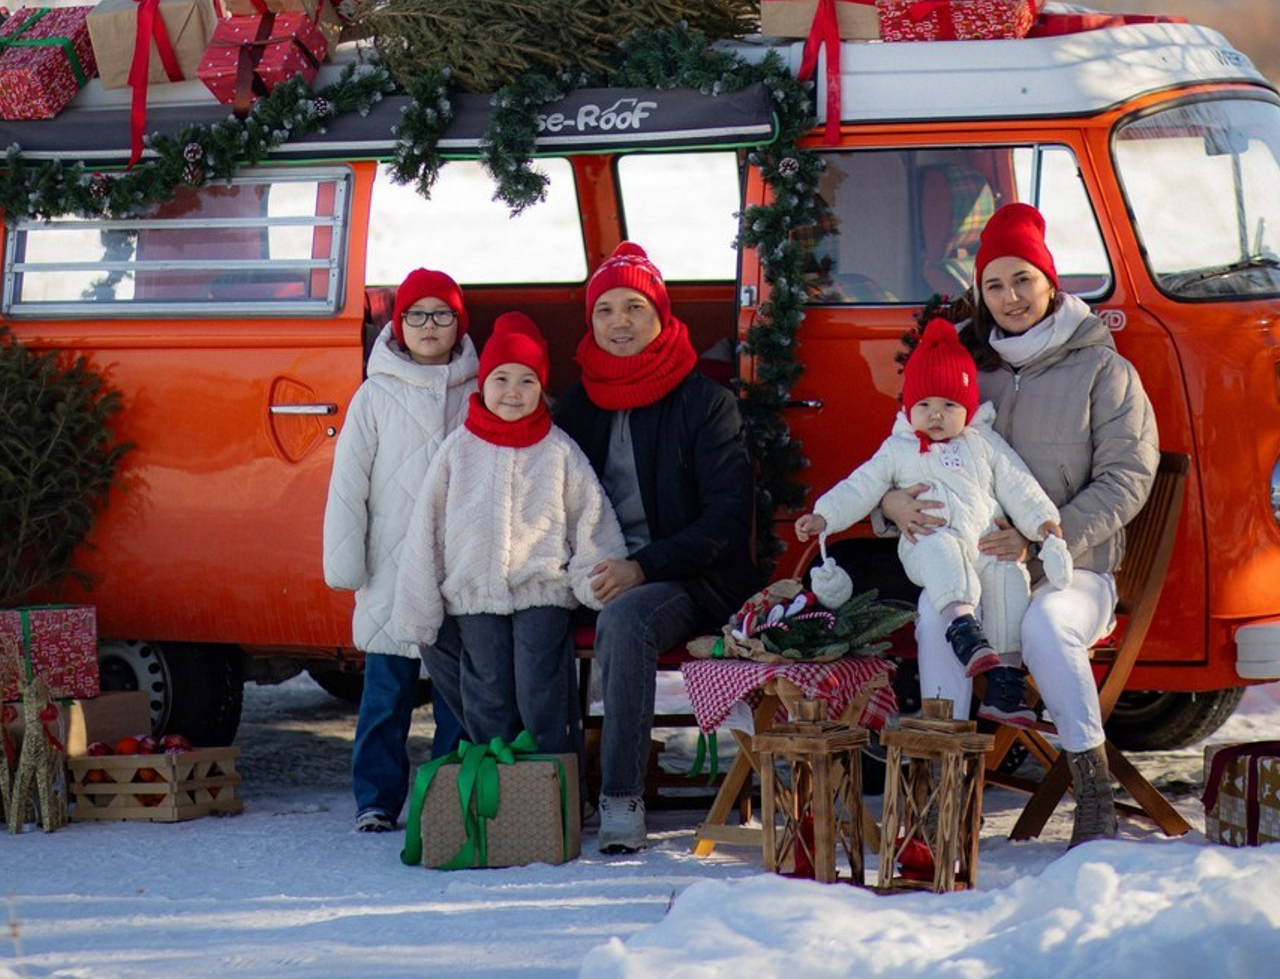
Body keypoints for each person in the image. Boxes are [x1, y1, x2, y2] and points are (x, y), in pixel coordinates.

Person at [881, 204, 1159, 846]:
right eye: (995, 285)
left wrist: (1042, 537)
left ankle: (1092, 788)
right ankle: (942, 789)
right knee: (936, 615)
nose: (1010, 297)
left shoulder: (1104, 371)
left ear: (1050, 284)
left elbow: (1128, 479)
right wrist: (889, 508)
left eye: (1022, 280)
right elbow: (900, 452)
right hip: (979, 569)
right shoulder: (964, 371)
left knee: (1044, 624)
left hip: (1073, 569)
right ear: (979, 292)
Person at [552, 241, 758, 854]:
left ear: (662, 317)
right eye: (606, 310)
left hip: (693, 578)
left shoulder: (706, 404)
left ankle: (620, 798)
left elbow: (726, 519)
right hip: (598, 569)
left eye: (635, 308)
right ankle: (546, 783)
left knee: (625, 619)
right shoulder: (579, 403)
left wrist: (643, 567)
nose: (620, 322)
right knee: (529, 617)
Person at [794, 317, 1073, 728]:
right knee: (942, 554)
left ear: (968, 408)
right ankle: (962, 629)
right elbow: (861, 486)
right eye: (924, 405)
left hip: (985, 546)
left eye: (949, 405)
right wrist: (824, 515)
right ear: (909, 408)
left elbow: (1019, 484)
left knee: (1010, 580)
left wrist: (1044, 523)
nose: (936, 415)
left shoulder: (984, 443)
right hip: (928, 541)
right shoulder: (898, 449)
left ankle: (1005, 684)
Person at [392, 312, 621, 757]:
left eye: (527, 381)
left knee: (540, 686)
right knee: (488, 686)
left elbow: (590, 517)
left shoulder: (558, 450)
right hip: (473, 592)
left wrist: (595, 577)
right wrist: (420, 600)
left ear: (543, 389)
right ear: (482, 385)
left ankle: (555, 784)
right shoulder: (458, 449)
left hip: (542, 591)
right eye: (501, 379)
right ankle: (500, 780)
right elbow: (427, 528)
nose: (513, 392)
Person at [323, 267, 476, 834]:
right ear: (398, 323)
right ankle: (377, 799)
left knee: (455, 695)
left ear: (459, 325)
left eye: (442, 315)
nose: (428, 326)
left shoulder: (484, 389)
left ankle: (444, 797)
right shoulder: (375, 394)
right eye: (416, 315)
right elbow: (349, 484)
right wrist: (346, 563)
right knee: (385, 692)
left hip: (459, 567)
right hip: (391, 567)